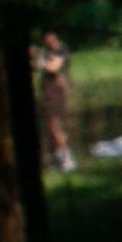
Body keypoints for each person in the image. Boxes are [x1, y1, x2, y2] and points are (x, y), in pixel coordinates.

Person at [33, 29, 77, 172]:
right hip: (47, 91)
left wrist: (39, 60)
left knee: (55, 125)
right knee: (48, 125)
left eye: (48, 35)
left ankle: (66, 158)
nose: (46, 39)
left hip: (57, 92)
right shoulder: (47, 52)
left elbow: (53, 67)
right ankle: (56, 157)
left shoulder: (61, 49)